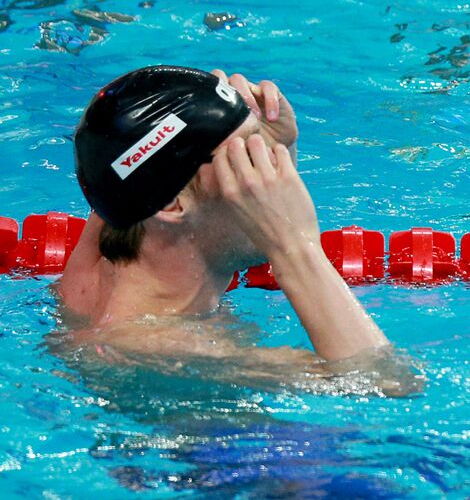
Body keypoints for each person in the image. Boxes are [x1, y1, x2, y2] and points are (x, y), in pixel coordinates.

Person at [55, 66, 417, 391]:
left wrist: (279, 142)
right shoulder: (169, 349)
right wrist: (295, 245)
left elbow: (115, 153)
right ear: (171, 204)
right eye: (245, 155)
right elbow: (386, 380)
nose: (268, 176)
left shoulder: (107, 244)